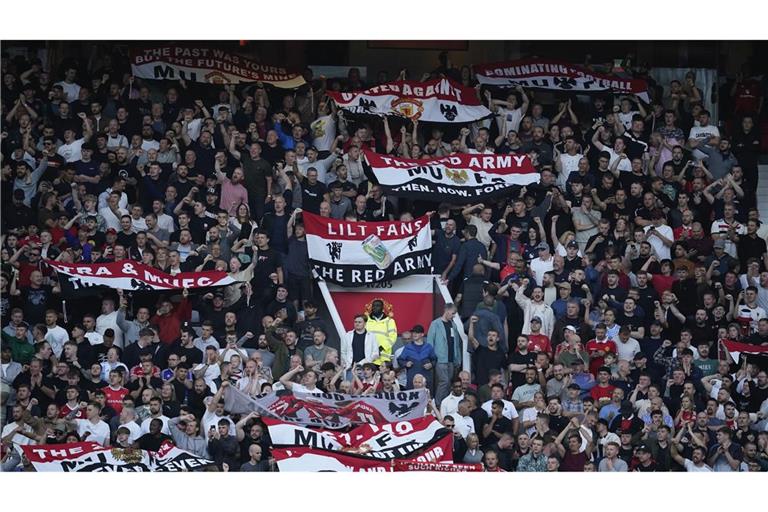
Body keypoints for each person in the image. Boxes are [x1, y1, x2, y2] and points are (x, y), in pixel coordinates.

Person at [427, 303, 463, 406]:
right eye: (452, 313)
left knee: (448, 383)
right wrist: (432, 358)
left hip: (451, 359)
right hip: (440, 359)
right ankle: (437, 404)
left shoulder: (453, 325)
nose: (453, 316)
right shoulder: (435, 324)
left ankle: (445, 405)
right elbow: (430, 342)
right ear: (446, 311)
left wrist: (458, 359)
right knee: (444, 381)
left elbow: (456, 344)